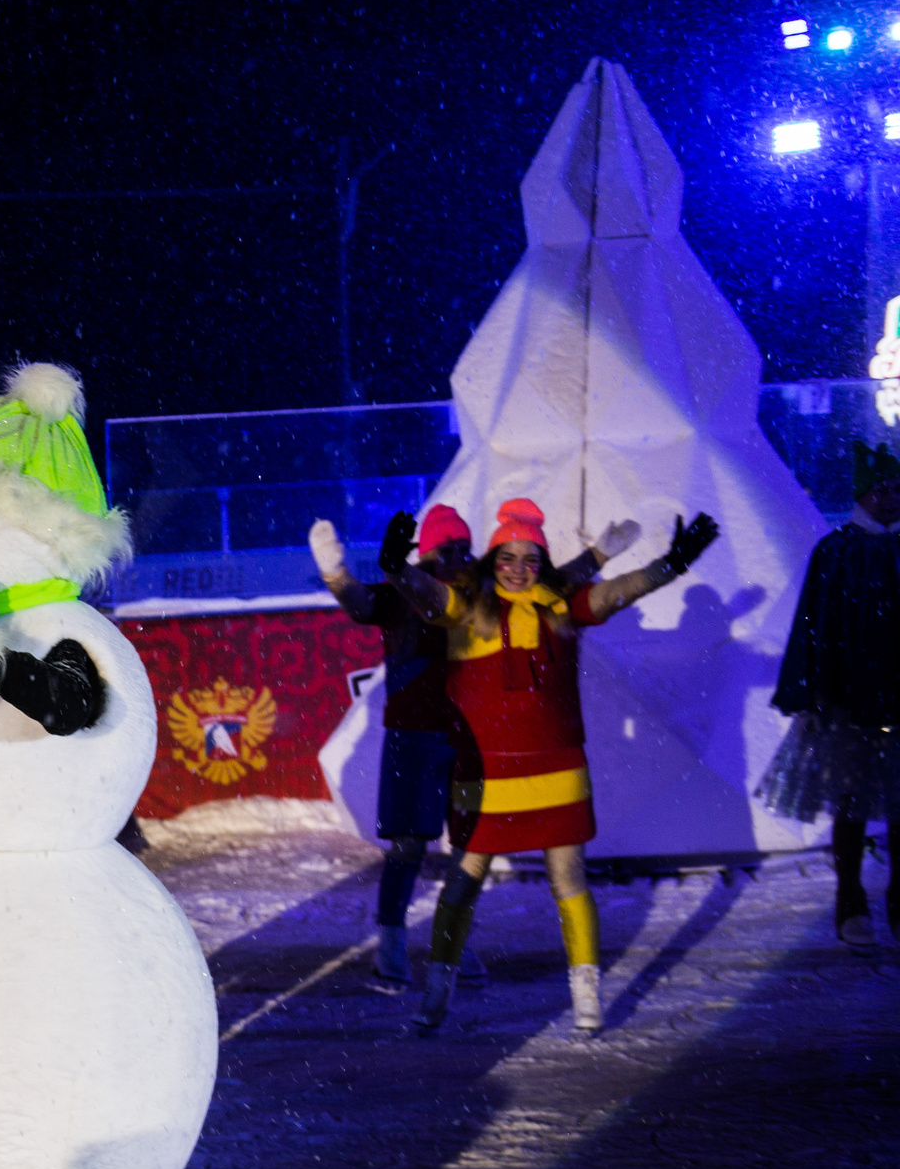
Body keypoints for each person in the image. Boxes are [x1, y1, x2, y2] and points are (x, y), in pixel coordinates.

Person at [382, 498, 719, 1034]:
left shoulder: (562, 609)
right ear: (492, 559)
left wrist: (670, 566)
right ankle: (436, 996)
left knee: (569, 881)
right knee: (462, 885)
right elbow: (428, 594)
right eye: (507, 557)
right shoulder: (467, 611)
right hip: (485, 777)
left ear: (542, 563)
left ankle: (586, 997)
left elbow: (619, 590)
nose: (518, 569)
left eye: (530, 559)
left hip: (558, 773)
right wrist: (396, 569)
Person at [310, 510, 636, 985]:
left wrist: (598, 556)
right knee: (407, 845)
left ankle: (452, 945)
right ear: (427, 553)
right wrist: (334, 571)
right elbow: (360, 603)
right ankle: (391, 941)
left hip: (472, 742)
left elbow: (552, 583)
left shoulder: (482, 596)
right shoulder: (408, 591)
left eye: (465, 549)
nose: (459, 558)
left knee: (469, 848)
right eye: (448, 550)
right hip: (414, 737)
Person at [758, 440, 900, 950]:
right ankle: (850, 898)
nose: (891, 497)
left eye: (897, 488)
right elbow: (813, 625)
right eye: (882, 488)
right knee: (852, 801)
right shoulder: (836, 551)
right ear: (862, 493)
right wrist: (808, 692)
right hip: (847, 701)